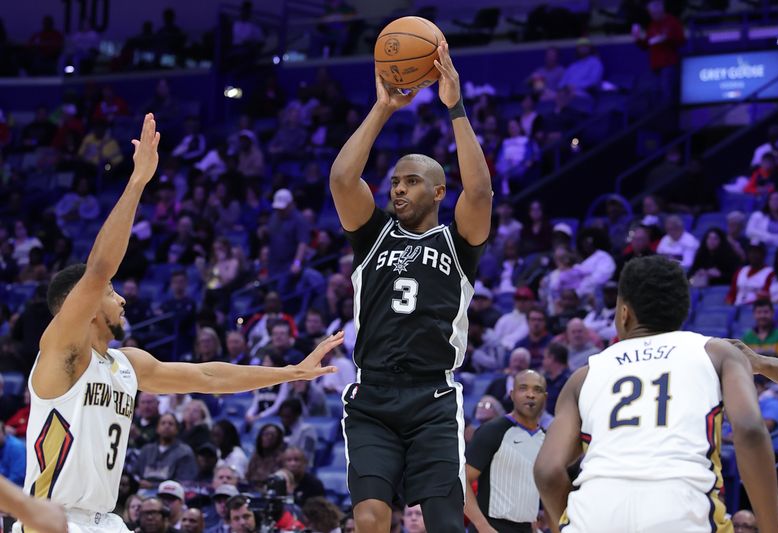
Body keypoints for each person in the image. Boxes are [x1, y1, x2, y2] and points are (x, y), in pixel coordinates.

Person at [15, 114, 343, 533]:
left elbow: (208, 375)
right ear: (87, 303)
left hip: (105, 522)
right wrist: (137, 183)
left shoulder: (126, 365)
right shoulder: (61, 353)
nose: (123, 297)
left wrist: (290, 372)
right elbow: (97, 270)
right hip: (54, 521)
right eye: (113, 292)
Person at [329, 41, 491, 533]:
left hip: (432, 398)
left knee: (444, 521)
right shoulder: (373, 233)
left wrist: (455, 106)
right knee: (372, 518)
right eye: (395, 181)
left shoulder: (458, 240)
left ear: (438, 191)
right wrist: (383, 107)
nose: (398, 188)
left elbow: (480, 190)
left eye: (411, 181)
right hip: (373, 393)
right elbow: (341, 178)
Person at [534, 256, 778, 533]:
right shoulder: (717, 353)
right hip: (682, 514)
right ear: (682, 312)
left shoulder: (584, 375)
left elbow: (547, 471)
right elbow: (749, 430)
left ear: (624, 313)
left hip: (594, 518)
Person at [464, 370, 547, 533]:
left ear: (545, 397)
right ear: (512, 394)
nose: (530, 394)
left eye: (537, 390)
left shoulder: (546, 439)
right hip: (491, 527)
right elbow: (460, 482)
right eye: (523, 388)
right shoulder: (492, 431)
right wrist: (482, 526)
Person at [633, 0, 685, 102]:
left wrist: (668, 38)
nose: (652, 15)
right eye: (650, 13)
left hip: (669, 65)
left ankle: (670, 116)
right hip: (655, 67)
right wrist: (637, 39)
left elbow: (681, 41)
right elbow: (647, 45)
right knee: (656, 95)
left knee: (667, 95)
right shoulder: (652, 25)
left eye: (654, 13)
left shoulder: (672, 22)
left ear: (661, 10)